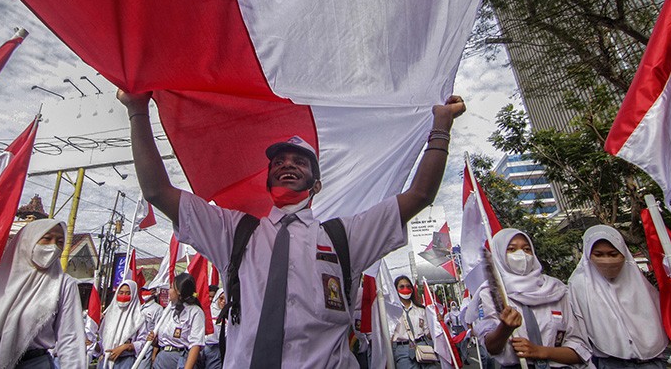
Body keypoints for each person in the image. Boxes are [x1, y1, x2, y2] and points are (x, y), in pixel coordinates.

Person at [118, 89, 465, 368]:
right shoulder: (234, 232)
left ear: (316, 185)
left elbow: (419, 195)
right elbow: (157, 192)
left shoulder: (344, 237)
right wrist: (138, 112)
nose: (288, 166)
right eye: (279, 163)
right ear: (268, 181)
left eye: (300, 162)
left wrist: (441, 127)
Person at [0, 219, 85, 368]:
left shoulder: (63, 285)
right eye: (46, 239)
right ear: (27, 241)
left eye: (59, 241)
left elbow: (71, 340)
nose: (53, 246)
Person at [475, 229, 591, 369]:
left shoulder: (557, 289)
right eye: (512, 249)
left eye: (526, 249)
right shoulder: (492, 293)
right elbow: (492, 348)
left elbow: (579, 347)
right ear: (499, 255)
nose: (521, 255)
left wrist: (541, 351)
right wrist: (504, 329)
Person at [568, 225, 668, 369]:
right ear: (589, 256)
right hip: (610, 362)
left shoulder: (640, 284)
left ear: (623, 254)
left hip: (652, 361)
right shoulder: (579, 285)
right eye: (599, 254)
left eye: (613, 254)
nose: (606, 260)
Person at [151, 272, 206, 369]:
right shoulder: (168, 310)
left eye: (172, 287)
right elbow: (163, 338)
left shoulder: (195, 312)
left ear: (179, 291)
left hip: (180, 360)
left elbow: (195, 345)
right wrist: (154, 340)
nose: (169, 291)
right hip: (162, 358)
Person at [98, 279, 151, 368]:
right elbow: (102, 342)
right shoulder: (109, 315)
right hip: (106, 361)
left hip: (125, 361)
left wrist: (126, 347)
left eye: (128, 293)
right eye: (121, 293)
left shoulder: (139, 318)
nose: (124, 296)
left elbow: (143, 343)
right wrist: (93, 345)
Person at [390, 275, 437, 369]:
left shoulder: (421, 310)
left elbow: (428, 332)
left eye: (408, 286)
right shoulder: (392, 311)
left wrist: (438, 323)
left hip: (423, 347)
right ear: (395, 289)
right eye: (401, 286)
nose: (405, 289)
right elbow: (389, 336)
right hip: (403, 350)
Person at [137, 286, 165, 369]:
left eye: (147, 290)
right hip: (136, 345)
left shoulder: (158, 309)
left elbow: (158, 331)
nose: (144, 293)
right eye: (143, 290)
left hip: (148, 346)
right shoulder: (139, 307)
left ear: (154, 292)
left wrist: (154, 352)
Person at [202, 288, 226, 369]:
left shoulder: (229, 315)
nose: (223, 301)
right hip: (202, 347)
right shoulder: (207, 312)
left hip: (216, 349)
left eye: (226, 299)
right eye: (221, 298)